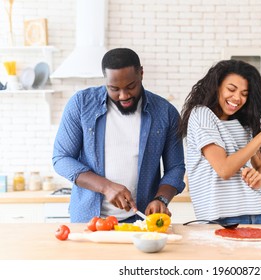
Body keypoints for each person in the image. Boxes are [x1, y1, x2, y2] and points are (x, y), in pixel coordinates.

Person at [52, 48, 186, 223]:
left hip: (140, 221)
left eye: (131, 87)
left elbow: (175, 168)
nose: (124, 96)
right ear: (105, 80)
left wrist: (161, 199)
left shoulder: (165, 112)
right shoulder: (81, 104)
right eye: (114, 89)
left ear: (141, 74)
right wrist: (106, 187)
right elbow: (61, 159)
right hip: (90, 220)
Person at [179, 59, 261, 225]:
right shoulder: (202, 115)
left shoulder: (245, 124)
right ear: (217, 86)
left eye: (244, 94)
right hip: (222, 218)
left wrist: (259, 178)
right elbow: (224, 169)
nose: (237, 98)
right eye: (231, 89)